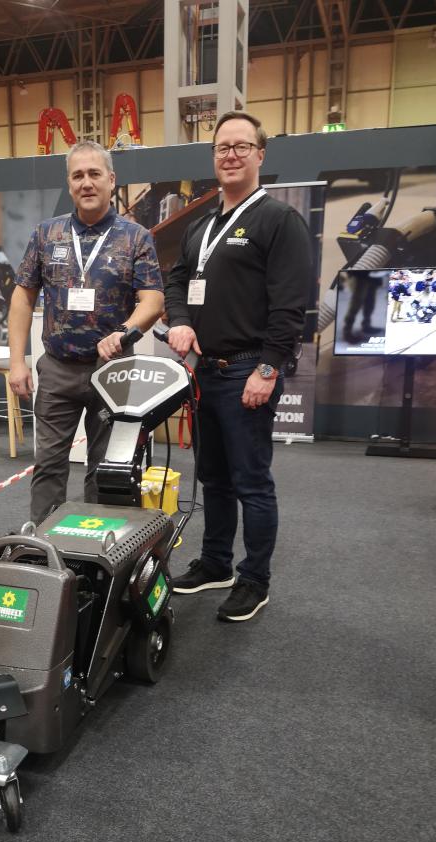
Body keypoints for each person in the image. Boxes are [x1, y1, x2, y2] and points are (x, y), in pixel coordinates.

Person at [164, 111, 313, 623]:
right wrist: (179, 322)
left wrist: (268, 370)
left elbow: (291, 305)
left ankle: (255, 580)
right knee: (213, 477)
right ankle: (215, 563)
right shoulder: (201, 226)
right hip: (205, 372)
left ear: (260, 154)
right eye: (222, 147)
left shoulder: (278, 220)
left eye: (241, 146)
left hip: (248, 369)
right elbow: (177, 282)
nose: (230, 154)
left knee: (252, 482)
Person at [8, 140, 164, 525]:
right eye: (78, 175)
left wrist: (125, 332)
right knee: (48, 463)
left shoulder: (136, 237)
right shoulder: (47, 234)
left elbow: (153, 300)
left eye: (95, 174)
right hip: (58, 369)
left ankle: (96, 545)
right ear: (69, 182)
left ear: (111, 180)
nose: (87, 182)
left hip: (111, 369)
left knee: (105, 466)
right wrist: (17, 362)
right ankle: (42, 541)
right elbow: (22, 298)